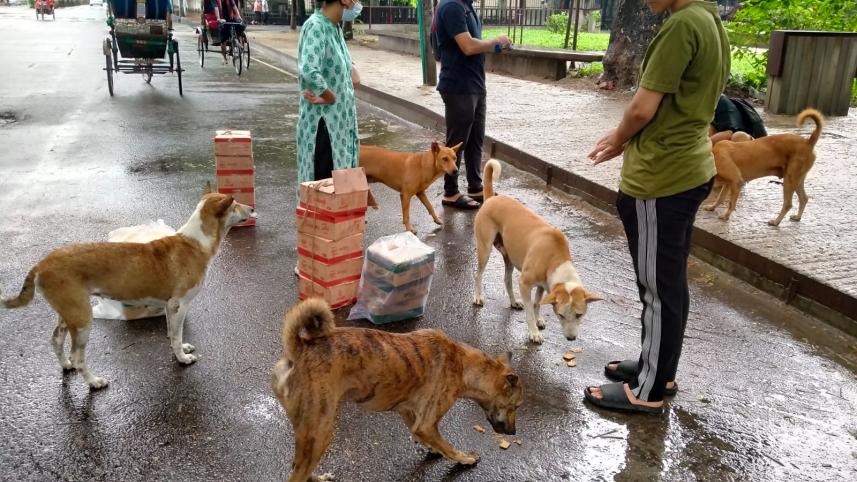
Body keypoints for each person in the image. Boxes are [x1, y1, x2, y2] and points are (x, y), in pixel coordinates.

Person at [586, 0, 730, 414]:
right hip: (689, 167)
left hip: (661, 179)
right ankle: (658, 369)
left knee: (657, 289)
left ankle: (646, 391)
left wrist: (617, 137)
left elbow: (642, 107)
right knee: (668, 284)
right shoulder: (707, 18)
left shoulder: (682, 25)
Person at [433, 0, 511, 209]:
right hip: (459, 86)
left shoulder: (465, 6)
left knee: (475, 139)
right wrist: (496, 41)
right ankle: (450, 192)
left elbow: (473, 44)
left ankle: (476, 187)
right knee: (457, 142)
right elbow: (467, 46)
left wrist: (495, 46)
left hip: (475, 84)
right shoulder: (452, 6)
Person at [296, 0, 362, 187]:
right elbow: (309, 69)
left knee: (339, 189)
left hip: (340, 126)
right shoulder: (316, 26)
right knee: (323, 191)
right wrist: (329, 96)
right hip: (324, 127)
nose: (357, 3)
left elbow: (354, 75)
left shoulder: (334, 28)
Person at [215, 0, 245, 65]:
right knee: (223, 40)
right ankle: (224, 57)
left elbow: (234, 7)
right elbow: (216, 8)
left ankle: (238, 41)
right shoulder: (217, 1)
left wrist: (239, 16)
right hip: (222, 21)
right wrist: (218, 18)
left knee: (240, 25)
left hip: (231, 19)